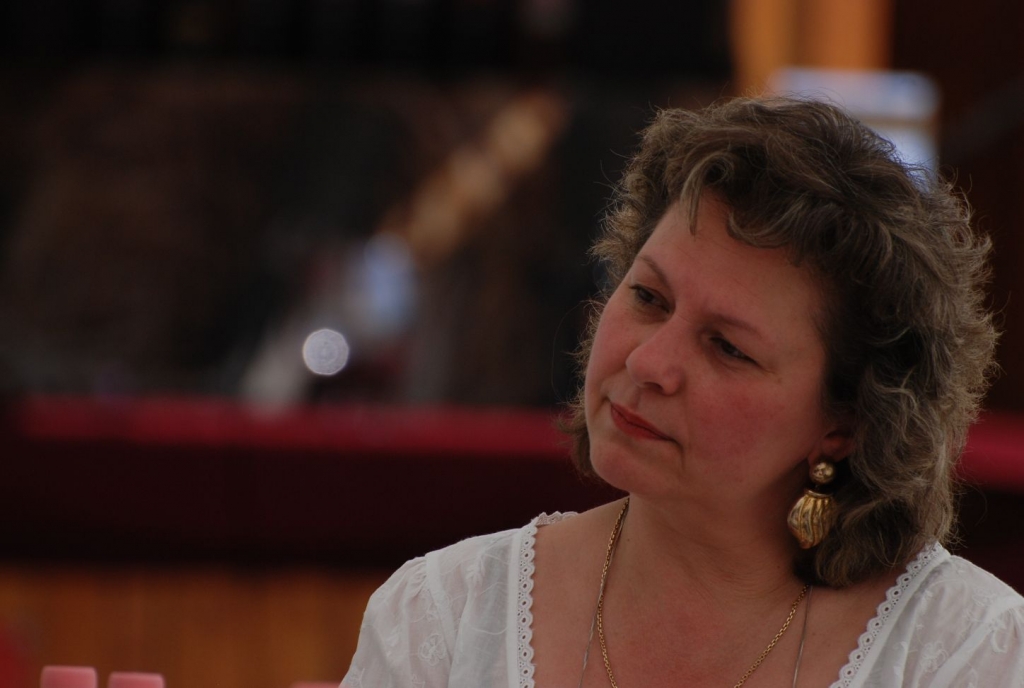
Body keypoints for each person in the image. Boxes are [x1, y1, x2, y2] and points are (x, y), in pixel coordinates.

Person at [342, 97, 1024, 687]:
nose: (649, 362)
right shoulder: (444, 615)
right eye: (648, 297)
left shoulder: (969, 654)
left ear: (846, 424)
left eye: (728, 347)